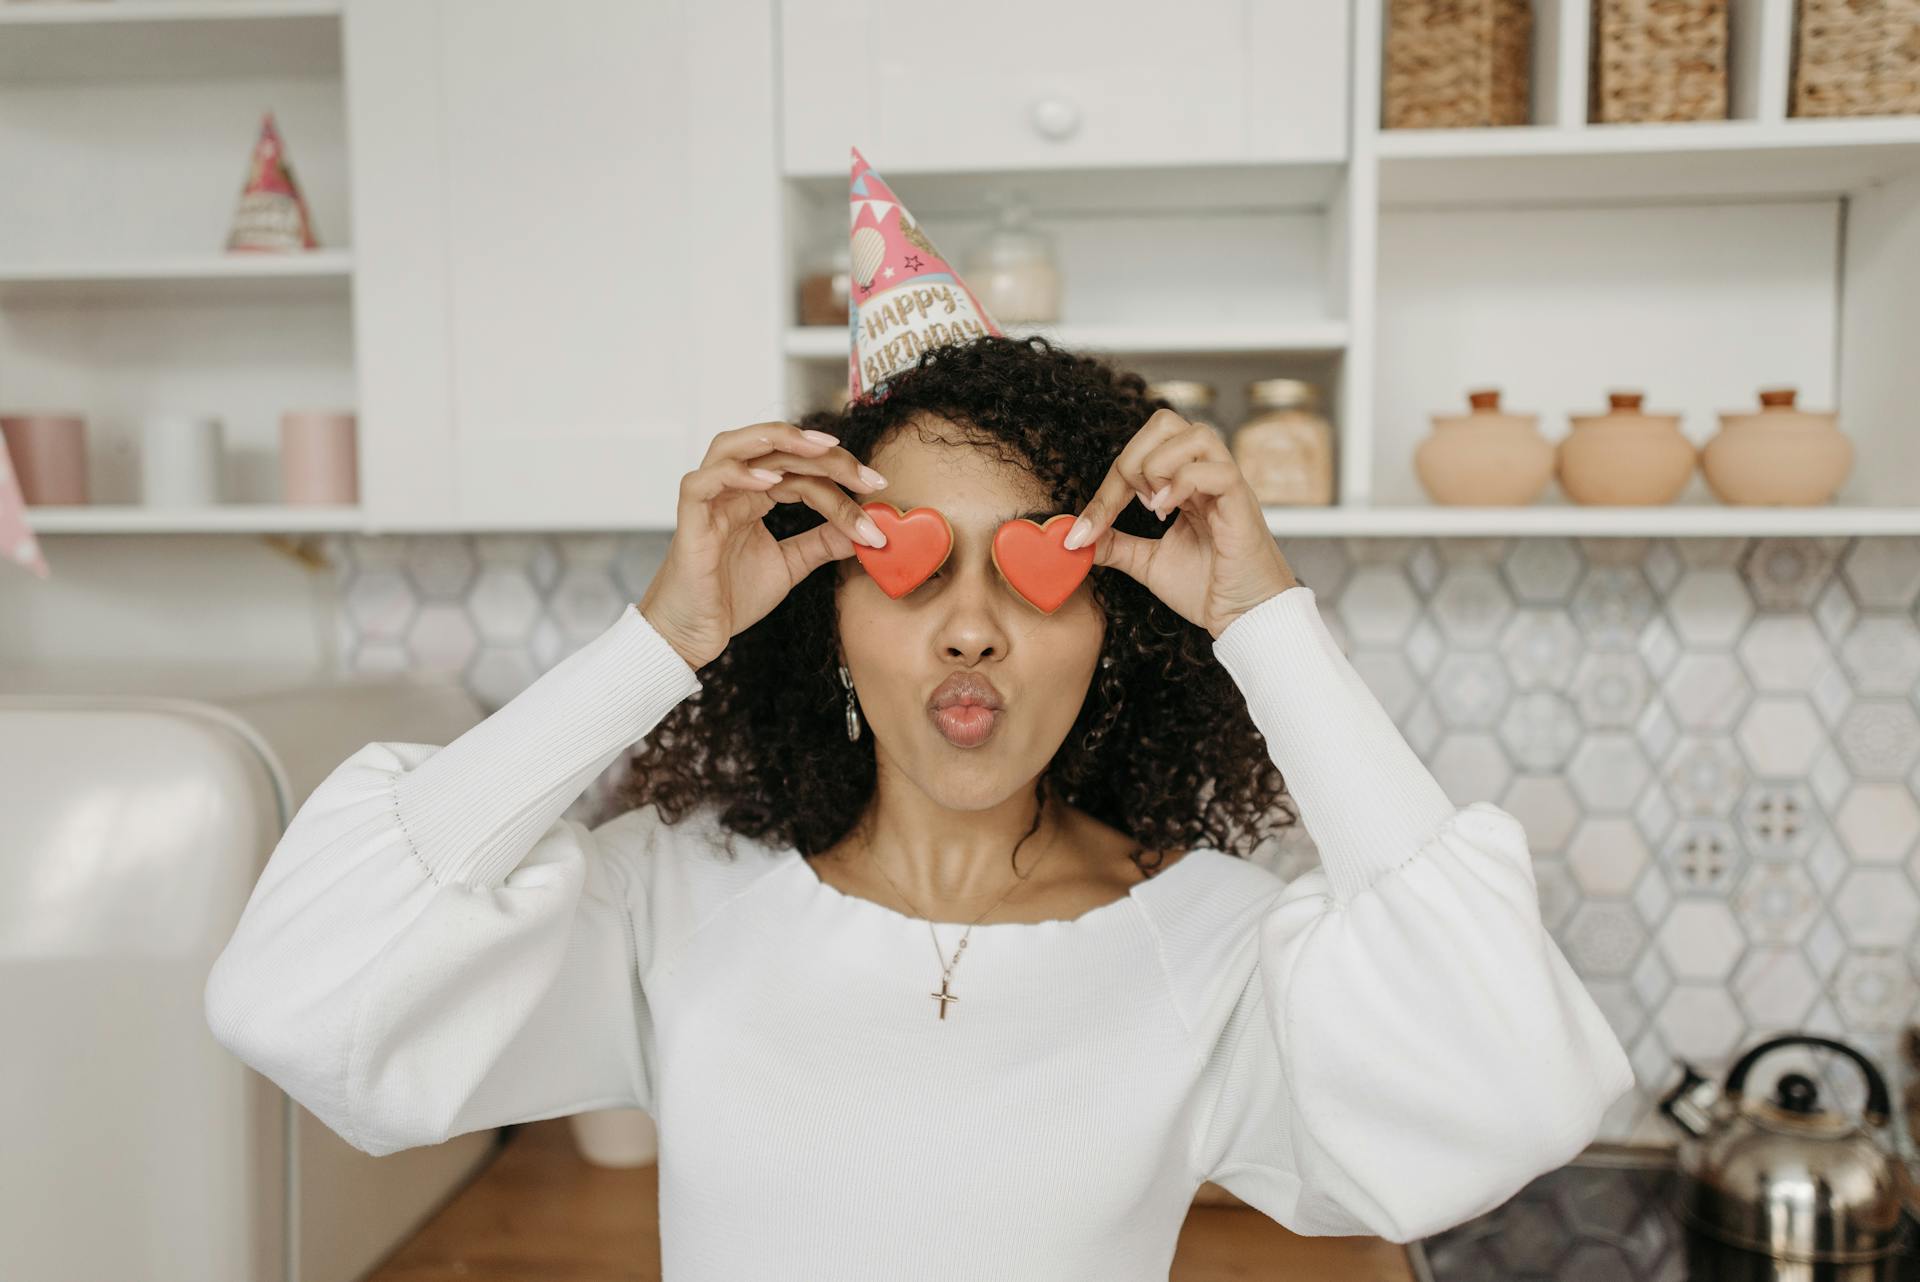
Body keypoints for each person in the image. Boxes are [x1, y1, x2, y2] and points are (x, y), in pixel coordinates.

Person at [204, 335, 1635, 1280]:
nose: (970, 628)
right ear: (825, 615)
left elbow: (1515, 1085)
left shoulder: (1211, 945)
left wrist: (1262, 619)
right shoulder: (674, 900)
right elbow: (299, 992)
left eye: (1034, 567)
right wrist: (660, 638)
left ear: (1115, 623)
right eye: (905, 565)